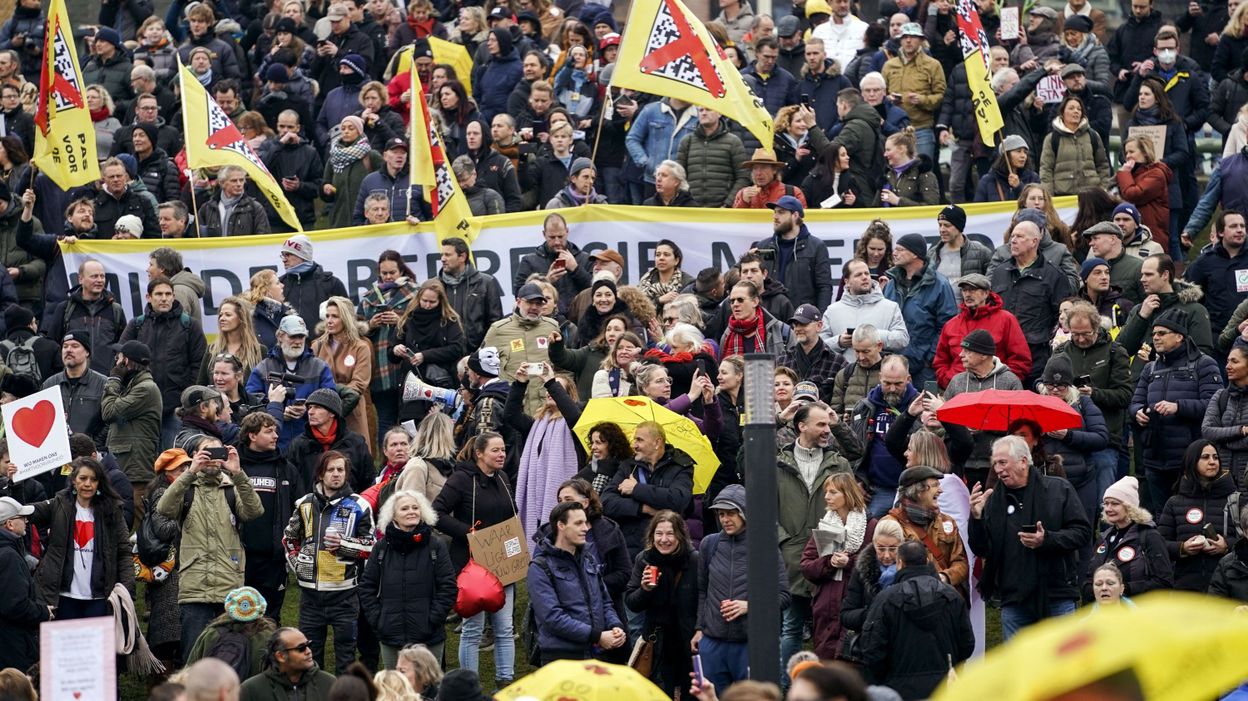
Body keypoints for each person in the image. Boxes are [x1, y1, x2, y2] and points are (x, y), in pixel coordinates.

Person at [969, 435, 1092, 640]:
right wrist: (976, 517)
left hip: (1056, 593)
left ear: (1023, 461)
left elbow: (1082, 533)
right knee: (1020, 669)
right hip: (1013, 597)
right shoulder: (993, 500)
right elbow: (982, 549)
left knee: (1064, 667)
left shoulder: (1059, 489)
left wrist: (1047, 540)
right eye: (995, 464)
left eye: (1002, 462)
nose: (997, 469)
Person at [156, 435, 263, 658]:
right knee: (194, 657)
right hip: (195, 589)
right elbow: (164, 508)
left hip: (229, 587)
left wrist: (238, 473)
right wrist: (190, 472)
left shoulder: (232, 487)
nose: (213, 459)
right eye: (207, 453)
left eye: (218, 454)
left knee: (230, 657)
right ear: (195, 456)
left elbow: (254, 512)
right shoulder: (187, 488)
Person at [432, 433, 519, 687]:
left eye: (503, 449)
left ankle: (506, 681)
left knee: (504, 627)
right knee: (473, 629)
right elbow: (436, 512)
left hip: (502, 562)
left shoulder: (502, 478)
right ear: (479, 453)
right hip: (472, 566)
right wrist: (469, 534)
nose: (501, 454)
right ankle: (470, 686)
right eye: (495, 450)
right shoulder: (461, 479)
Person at [776, 404, 853, 668]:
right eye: (821, 424)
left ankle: (829, 687)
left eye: (828, 425)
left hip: (830, 558)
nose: (826, 430)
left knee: (832, 629)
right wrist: (784, 540)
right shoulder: (778, 462)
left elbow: (851, 506)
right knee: (790, 628)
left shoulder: (838, 463)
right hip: (791, 557)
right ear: (802, 426)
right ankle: (786, 689)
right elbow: (764, 509)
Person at [283, 450, 374, 673]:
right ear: (320, 474)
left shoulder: (360, 505)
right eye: (330, 470)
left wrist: (343, 545)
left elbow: (370, 546)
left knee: (345, 656)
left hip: (345, 595)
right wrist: (299, 567)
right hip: (311, 597)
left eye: (340, 470)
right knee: (310, 656)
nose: (336, 474)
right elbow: (289, 538)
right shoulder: (304, 503)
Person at [694, 485, 791, 691]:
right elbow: (703, 591)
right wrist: (699, 629)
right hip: (713, 643)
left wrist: (749, 606)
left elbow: (783, 596)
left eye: (731, 513)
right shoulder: (708, 544)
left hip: (750, 645)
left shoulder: (765, 547)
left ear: (745, 513)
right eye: (721, 514)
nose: (725, 519)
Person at [1129, 309, 1223, 510]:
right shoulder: (1150, 368)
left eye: (1162, 333)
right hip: (1155, 459)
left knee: (1191, 517)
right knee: (1163, 519)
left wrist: (1178, 407)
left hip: (1190, 461)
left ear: (1180, 336)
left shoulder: (1203, 364)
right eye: (1154, 333)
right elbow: (1135, 402)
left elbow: (1215, 405)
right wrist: (1138, 413)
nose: (1155, 337)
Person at [858, 540, 974, 699]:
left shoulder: (885, 599)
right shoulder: (952, 596)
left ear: (900, 563)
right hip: (944, 687)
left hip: (898, 688)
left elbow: (872, 648)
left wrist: (886, 678)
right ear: (927, 561)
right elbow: (966, 644)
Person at [359, 490, 455, 669]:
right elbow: (366, 587)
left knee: (430, 690)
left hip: (429, 637)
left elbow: (448, 587)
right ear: (393, 515)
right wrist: (380, 620)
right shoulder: (381, 548)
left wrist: (432, 619)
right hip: (391, 636)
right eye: (404, 508)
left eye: (415, 507)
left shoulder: (436, 546)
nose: (411, 512)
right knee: (397, 691)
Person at [29, 457, 131, 621]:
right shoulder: (58, 504)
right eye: (83, 478)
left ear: (99, 483)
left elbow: (124, 552)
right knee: (62, 646)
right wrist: (15, 485)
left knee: (96, 647)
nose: (88, 484)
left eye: (93, 479)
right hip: (62, 597)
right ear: (73, 480)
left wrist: (127, 589)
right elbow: (25, 512)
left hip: (98, 598)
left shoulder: (112, 510)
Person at [528, 500, 625, 663]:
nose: (586, 528)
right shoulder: (540, 567)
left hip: (596, 654)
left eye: (586, 522)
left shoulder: (588, 559)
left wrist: (616, 627)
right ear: (561, 525)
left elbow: (605, 602)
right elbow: (552, 617)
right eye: (579, 523)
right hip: (562, 658)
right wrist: (597, 636)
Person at [120, 276, 208, 450]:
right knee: (143, 464)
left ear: (174, 296)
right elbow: (121, 361)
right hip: (141, 408)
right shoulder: (136, 325)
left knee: (173, 462)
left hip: (176, 409)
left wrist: (186, 399)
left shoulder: (190, 326)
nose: (164, 298)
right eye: (159, 294)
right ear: (149, 297)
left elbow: (200, 364)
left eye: (168, 294)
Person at [624, 510, 701, 695]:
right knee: (658, 693)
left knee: (690, 692)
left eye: (670, 533)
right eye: (659, 533)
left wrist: (700, 629)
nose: (664, 539)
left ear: (680, 536)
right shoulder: (644, 559)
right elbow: (632, 603)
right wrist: (645, 590)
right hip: (657, 642)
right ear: (652, 536)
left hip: (687, 641)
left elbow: (704, 599)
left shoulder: (694, 560)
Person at [991, 220, 1074, 384]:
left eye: (1019, 236)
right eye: (1012, 236)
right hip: (1001, 355)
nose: (1013, 240)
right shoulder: (1000, 271)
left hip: (1035, 357)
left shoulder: (1054, 275)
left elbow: (1062, 318)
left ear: (1034, 241)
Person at [1158, 441, 1237, 593]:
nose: (1212, 462)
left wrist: (1226, 546)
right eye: (1205, 457)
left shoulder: (1236, 501)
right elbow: (1159, 545)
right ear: (1192, 461)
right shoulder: (1174, 503)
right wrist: (1182, 548)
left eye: (1215, 457)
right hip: (1186, 587)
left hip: (1228, 589)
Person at [882, 233, 958, 385]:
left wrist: (930, 358)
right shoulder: (891, 284)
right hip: (891, 367)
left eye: (900, 249)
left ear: (915, 254)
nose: (894, 253)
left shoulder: (940, 285)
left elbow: (947, 326)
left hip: (924, 369)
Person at [933, 273, 1031, 389]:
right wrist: (948, 382)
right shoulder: (951, 324)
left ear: (986, 293)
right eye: (964, 290)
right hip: (957, 391)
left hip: (994, 392)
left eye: (972, 290)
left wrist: (1003, 384)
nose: (967, 294)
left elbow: (1020, 360)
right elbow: (940, 361)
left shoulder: (1006, 320)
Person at [1083, 476, 1174, 600]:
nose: (1108, 509)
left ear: (1130, 507)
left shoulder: (1150, 536)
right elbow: (1089, 578)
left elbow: (1164, 582)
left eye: (1115, 504)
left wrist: (1123, 588)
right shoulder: (1104, 537)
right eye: (1106, 503)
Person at [881, 465, 969, 592]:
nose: (940, 490)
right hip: (907, 598)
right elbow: (885, 566)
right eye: (934, 485)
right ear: (917, 491)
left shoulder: (947, 521)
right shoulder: (891, 524)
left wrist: (944, 577)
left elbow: (961, 562)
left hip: (944, 598)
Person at [100, 339, 162, 514]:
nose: (116, 363)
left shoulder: (146, 389)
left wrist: (113, 379)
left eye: (118, 358)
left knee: (137, 518)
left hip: (136, 472)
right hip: (126, 466)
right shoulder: (133, 386)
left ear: (125, 361)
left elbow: (109, 412)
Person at [838, 518, 905, 666]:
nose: (886, 555)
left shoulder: (911, 570)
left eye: (893, 549)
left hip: (904, 649)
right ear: (874, 545)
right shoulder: (862, 570)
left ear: (901, 545)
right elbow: (846, 615)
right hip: (871, 650)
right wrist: (872, 615)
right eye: (881, 549)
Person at [1117, 254, 1214, 356]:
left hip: (1177, 371)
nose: (1142, 279)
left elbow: (1202, 352)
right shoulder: (1139, 310)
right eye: (1142, 274)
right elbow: (1122, 350)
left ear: (1165, 275)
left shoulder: (1194, 310)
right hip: (1140, 371)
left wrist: (1158, 357)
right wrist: (1141, 317)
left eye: (1148, 274)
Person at [752, 195, 834, 311]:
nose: (775, 217)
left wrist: (819, 319)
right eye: (775, 212)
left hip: (802, 318)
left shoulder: (816, 247)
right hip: (769, 316)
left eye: (781, 212)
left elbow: (824, 287)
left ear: (795, 216)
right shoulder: (763, 246)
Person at [45, 258, 127, 374]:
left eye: (102, 276)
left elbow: (122, 346)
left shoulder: (116, 310)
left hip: (106, 380)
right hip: (72, 379)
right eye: (94, 276)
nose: (99, 280)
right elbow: (53, 344)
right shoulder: (65, 309)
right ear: (81, 279)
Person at [287, 388, 375, 496]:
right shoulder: (298, 445)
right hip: (310, 510)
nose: (310, 412)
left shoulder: (355, 443)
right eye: (309, 407)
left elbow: (368, 482)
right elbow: (291, 485)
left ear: (332, 413)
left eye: (317, 407)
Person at [311, 295, 374, 443]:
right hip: (322, 412)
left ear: (346, 319)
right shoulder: (317, 345)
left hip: (351, 411)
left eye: (335, 316)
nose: (329, 321)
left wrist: (333, 399)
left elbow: (359, 384)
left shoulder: (361, 347)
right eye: (327, 316)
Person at [821, 260, 908, 365]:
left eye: (867, 273)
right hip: (844, 376)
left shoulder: (890, 307)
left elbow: (902, 339)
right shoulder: (832, 311)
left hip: (880, 376)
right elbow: (818, 345)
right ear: (847, 281)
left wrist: (873, 336)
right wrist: (839, 342)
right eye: (858, 275)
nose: (865, 277)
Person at [184, 586, 278, 681]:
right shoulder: (268, 637)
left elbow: (190, 668)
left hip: (212, 691)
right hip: (253, 694)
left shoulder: (212, 633)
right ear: (261, 609)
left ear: (228, 607)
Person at [0, 496, 48, 672]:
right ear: (10, 524)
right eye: (22, 517)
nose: (27, 520)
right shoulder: (8, 557)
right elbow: (15, 606)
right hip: (12, 646)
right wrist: (44, 612)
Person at [1186, 210, 1248, 335]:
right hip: (1215, 334)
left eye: (1242, 226)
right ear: (1220, 232)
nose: (1240, 230)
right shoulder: (1204, 262)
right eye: (1233, 226)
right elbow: (1190, 300)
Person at [277, 235, 350, 340]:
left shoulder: (331, 283)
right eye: (283, 255)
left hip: (324, 350)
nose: (284, 260)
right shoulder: (279, 285)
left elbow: (348, 320)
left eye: (288, 255)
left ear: (303, 255)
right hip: (289, 350)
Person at [677, 107, 750, 208]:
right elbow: (678, 177)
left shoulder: (733, 142)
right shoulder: (687, 141)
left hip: (723, 210)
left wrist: (728, 204)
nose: (704, 113)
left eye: (708, 109)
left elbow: (743, 176)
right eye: (701, 110)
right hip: (692, 209)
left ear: (719, 113)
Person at [238, 627, 336, 701]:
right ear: (280, 656)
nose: (308, 651)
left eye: (308, 645)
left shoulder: (329, 683)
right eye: (301, 648)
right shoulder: (252, 689)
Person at [1039, 95, 1110, 196]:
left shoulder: (1093, 135)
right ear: (1063, 113)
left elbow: (1103, 165)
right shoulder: (1052, 138)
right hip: (1063, 197)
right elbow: (1046, 169)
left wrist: (1103, 189)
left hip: (1091, 197)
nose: (1076, 111)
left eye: (1079, 109)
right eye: (1071, 108)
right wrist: (1049, 196)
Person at [873, 129, 939, 207]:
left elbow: (931, 207)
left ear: (901, 149)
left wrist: (898, 201)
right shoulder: (887, 175)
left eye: (888, 150)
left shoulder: (924, 175)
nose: (884, 154)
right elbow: (875, 207)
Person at [732, 148, 807, 210]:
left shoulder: (793, 192)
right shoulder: (743, 194)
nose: (758, 173)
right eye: (755, 168)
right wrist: (744, 201)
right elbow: (734, 223)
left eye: (764, 168)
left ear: (774, 170)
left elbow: (802, 221)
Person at [974, 134, 1039, 203]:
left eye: (1025, 152)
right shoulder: (988, 180)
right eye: (1018, 151)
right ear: (1006, 155)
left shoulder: (1033, 178)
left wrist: (1019, 187)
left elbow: (1037, 204)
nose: (1023, 156)